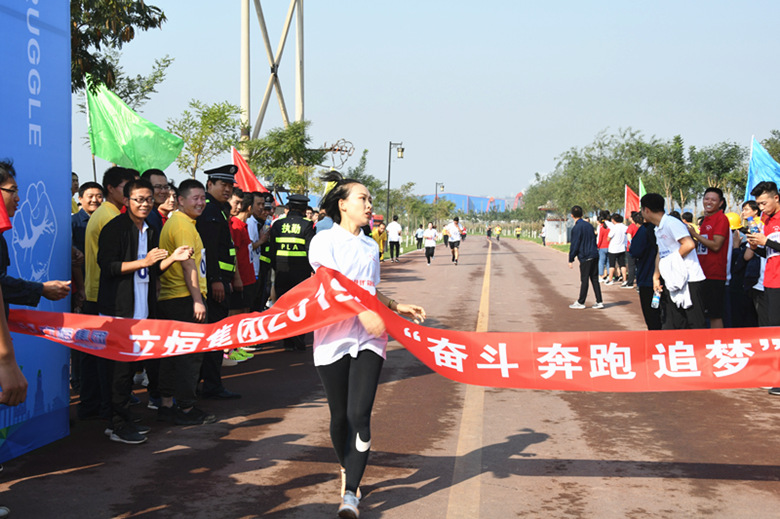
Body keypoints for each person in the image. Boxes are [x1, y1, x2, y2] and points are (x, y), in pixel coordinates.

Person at [308, 171, 426, 518]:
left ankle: (350, 495)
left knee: (360, 414)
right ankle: (346, 465)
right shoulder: (323, 241)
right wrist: (361, 312)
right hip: (333, 336)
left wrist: (392, 305)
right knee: (339, 416)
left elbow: (367, 289)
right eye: (363, 198)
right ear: (342, 204)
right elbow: (330, 287)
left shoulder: (371, 245)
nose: (369, 204)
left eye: (370, 199)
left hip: (371, 336)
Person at [97, 178, 192, 443]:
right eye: (139, 199)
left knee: (130, 370)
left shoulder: (150, 229)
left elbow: (151, 269)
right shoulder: (114, 228)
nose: (145, 204)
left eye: (148, 199)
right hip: (118, 310)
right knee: (118, 372)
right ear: (126, 201)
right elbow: (108, 267)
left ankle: (124, 418)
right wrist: (144, 260)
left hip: (143, 309)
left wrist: (173, 258)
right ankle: (116, 424)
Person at [157, 179, 217, 425]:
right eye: (196, 198)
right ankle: (185, 408)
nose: (201, 203)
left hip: (176, 298)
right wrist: (197, 300)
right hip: (183, 298)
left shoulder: (183, 222)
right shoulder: (182, 225)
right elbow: (188, 263)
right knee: (188, 356)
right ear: (180, 200)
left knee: (173, 354)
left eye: (203, 198)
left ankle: (168, 405)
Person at [197, 165, 241, 400]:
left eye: (230, 185)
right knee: (214, 335)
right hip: (214, 283)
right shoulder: (210, 211)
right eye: (222, 184)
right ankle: (210, 384)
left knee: (216, 334)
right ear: (209, 185)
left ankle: (210, 382)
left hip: (221, 281)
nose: (227, 189)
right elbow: (210, 251)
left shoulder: (219, 210)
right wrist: (215, 280)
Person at [641, 193, 706, 329]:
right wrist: (656, 276)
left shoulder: (671, 223)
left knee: (695, 323)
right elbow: (661, 252)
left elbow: (688, 245)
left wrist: (670, 262)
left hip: (690, 279)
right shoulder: (658, 228)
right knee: (675, 323)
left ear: (646, 210)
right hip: (673, 279)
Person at [745, 181, 780, 395]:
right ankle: (771, 373)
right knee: (769, 328)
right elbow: (768, 253)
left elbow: (772, 245)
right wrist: (755, 246)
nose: (762, 208)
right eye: (758, 204)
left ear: (776, 198)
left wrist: (766, 241)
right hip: (769, 281)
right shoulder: (764, 219)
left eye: (764, 203)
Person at [269, 194, 315, 351]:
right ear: (303, 209)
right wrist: (311, 270)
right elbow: (311, 251)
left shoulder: (277, 224)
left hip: (281, 271)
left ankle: (287, 341)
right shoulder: (307, 225)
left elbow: (272, 250)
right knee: (300, 306)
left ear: (289, 208)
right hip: (301, 273)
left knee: (284, 305)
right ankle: (299, 338)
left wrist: (276, 268)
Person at [687, 187, 730, 328]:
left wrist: (695, 234)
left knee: (714, 314)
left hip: (715, 274)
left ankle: (718, 343)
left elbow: (716, 245)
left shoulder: (721, 219)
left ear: (721, 203)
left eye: (713, 199)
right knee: (704, 313)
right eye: (706, 198)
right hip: (703, 273)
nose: (709, 202)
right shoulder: (706, 220)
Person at [628, 211, 661, 330]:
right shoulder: (668, 227)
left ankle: (657, 345)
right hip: (667, 279)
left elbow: (634, 251)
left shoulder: (645, 230)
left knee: (652, 318)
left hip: (648, 277)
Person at [567, 206, 604, 309]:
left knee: (585, 279)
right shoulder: (589, 226)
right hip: (594, 254)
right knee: (594, 279)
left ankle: (581, 302)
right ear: (582, 214)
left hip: (585, 256)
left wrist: (571, 258)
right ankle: (599, 301)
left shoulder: (576, 228)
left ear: (572, 215)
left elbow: (575, 244)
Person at [606, 213, 628, 285]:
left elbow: (608, 238)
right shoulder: (625, 227)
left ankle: (610, 279)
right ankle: (624, 280)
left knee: (612, 265)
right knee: (622, 264)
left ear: (613, 220)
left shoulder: (614, 228)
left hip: (613, 249)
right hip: (622, 248)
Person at [596, 210, 611, 281]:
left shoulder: (601, 227)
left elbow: (599, 238)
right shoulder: (610, 226)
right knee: (608, 262)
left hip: (602, 246)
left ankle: (600, 275)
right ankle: (608, 275)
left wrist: (597, 245)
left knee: (601, 262)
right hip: (610, 246)